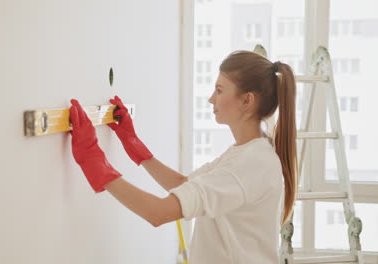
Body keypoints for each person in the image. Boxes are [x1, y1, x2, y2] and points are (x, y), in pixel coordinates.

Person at [68, 50, 298, 264]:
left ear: (247, 101)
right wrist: (135, 146)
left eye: (219, 90)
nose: (211, 99)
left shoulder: (250, 164)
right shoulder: (248, 153)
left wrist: (94, 162)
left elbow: (157, 212)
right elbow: (185, 185)